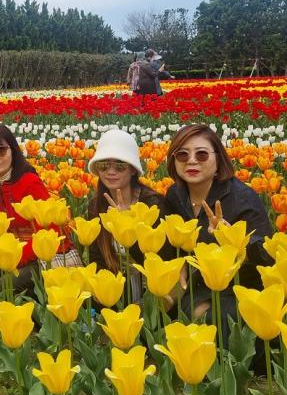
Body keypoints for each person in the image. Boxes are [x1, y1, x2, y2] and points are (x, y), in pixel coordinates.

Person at [161, 124, 273, 340]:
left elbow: (267, 255)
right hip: (199, 282)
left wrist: (235, 240)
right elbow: (175, 240)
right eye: (182, 155)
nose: (191, 161)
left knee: (205, 317)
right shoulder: (176, 194)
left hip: (242, 286)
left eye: (201, 154)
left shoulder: (242, 198)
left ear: (218, 159)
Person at [0, 124, 79, 294]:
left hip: (46, 254)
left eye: (0, 150)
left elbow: (51, 231)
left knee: (6, 284)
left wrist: (14, 257)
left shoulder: (29, 182)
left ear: (13, 150)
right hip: (15, 254)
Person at [87, 129, 162, 301]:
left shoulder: (152, 204)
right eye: (104, 165)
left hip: (152, 291)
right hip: (114, 292)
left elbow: (159, 257)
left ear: (133, 170)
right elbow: (96, 257)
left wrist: (127, 224)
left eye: (120, 165)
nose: (111, 171)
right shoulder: (96, 206)